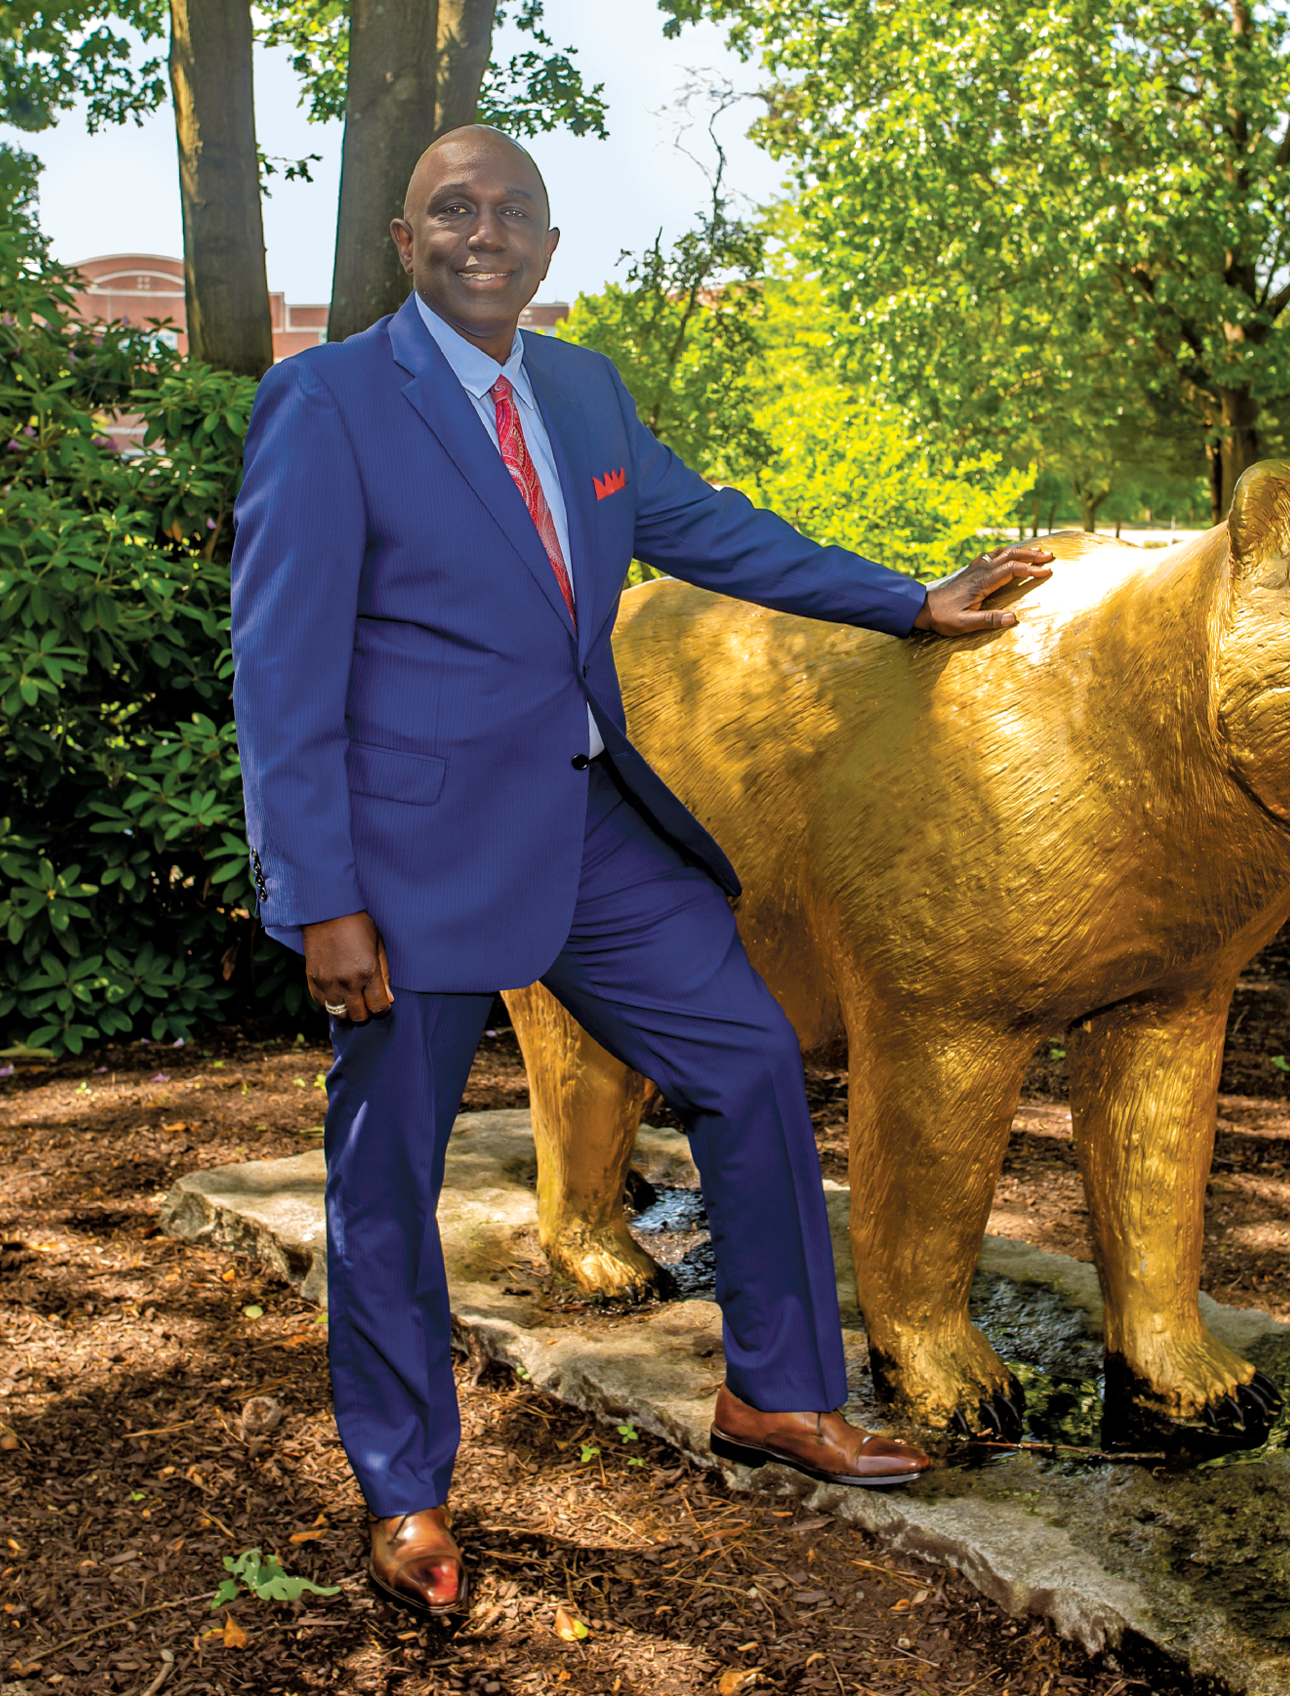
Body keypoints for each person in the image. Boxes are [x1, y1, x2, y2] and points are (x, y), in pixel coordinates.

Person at [229, 124, 1054, 1620]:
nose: (484, 233)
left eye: (513, 215)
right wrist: (321, 894)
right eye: (452, 211)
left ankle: (778, 1395)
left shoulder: (585, 389)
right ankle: (407, 1490)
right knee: (387, 1178)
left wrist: (907, 602)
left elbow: (708, 532)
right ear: (407, 242)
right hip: (403, 859)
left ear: (547, 252)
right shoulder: (328, 401)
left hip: (586, 815)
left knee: (745, 1059)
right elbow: (279, 666)